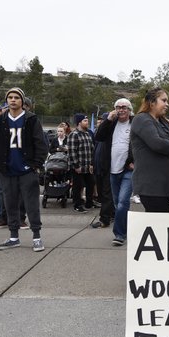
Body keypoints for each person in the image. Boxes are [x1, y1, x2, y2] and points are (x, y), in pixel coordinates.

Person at [0, 87, 47, 252]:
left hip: (27, 170)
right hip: (7, 171)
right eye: (10, 97)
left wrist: (35, 165)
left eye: (16, 97)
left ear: (22, 101)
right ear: (6, 101)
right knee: (10, 204)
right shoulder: (0, 121)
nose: (13, 100)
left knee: (31, 205)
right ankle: (13, 237)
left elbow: (40, 145)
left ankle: (37, 237)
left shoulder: (31, 120)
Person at [130, 87, 169, 214]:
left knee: (162, 224)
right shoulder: (142, 119)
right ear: (152, 102)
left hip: (166, 186)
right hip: (152, 186)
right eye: (164, 100)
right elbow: (157, 144)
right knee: (157, 223)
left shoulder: (164, 122)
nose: (167, 104)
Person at [94, 97, 135, 245]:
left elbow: (141, 144)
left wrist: (135, 161)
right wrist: (107, 120)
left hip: (128, 170)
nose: (121, 110)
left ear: (129, 110)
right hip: (112, 169)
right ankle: (125, 227)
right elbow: (99, 137)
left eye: (124, 107)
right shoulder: (111, 124)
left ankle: (119, 234)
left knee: (123, 202)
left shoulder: (135, 123)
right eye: (118, 107)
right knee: (117, 204)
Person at [67, 113, 95, 213]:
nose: (87, 123)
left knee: (91, 183)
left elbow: (92, 149)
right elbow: (72, 152)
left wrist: (91, 163)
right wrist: (76, 166)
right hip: (78, 167)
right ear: (79, 122)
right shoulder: (73, 135)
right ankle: (77, 205)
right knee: (78, 186)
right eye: (85, 121)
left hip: (88, 166)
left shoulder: (88, 134)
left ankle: (89, 202)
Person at [92, 112, 114, 223]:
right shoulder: (99, 135)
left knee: (107, 194)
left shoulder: (111, 134)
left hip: (107, 167)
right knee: (103, 194)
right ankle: (110, 213)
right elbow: (95, 150)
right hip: (99, 168)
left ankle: (107, 216)